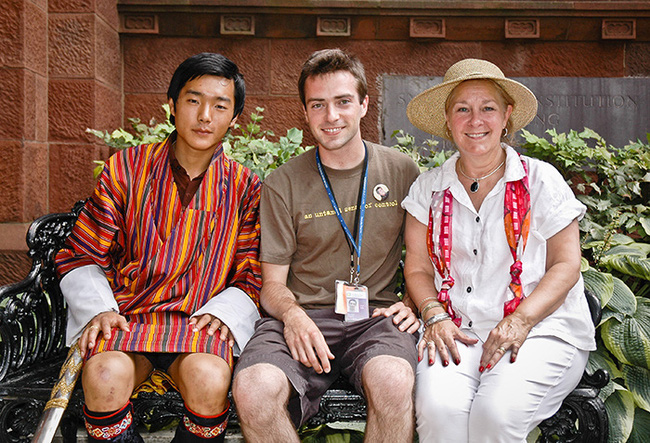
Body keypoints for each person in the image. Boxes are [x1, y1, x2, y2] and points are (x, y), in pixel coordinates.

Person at [55, 53, 261, 442]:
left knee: (210, 378)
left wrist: (226, 311)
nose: (205, 116)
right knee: (102, 375)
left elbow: (252, 270)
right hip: (127, 314)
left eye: (220, 105)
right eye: (193, 100)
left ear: (234, 119)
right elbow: (81, 253)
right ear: (171, 105)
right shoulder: (126, 168)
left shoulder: (245, 187)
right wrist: (99, 309)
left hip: (199, 318)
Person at [401, 58, 596, 442]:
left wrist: (520, 321)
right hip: (455, 332)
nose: (476, 121)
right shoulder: (428, 189)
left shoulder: (541, 180)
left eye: (487, 108)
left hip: (540, 330)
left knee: (495, 415)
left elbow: (567, 264)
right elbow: (419, 270)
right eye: (463, 109)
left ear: (506, 115)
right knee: (439, 414)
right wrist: (434, 315)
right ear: (448, 119)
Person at [232, 48, 421, 442]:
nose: (331, 117)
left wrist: (417, 303)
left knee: (393, 380)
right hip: (302, 317)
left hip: (375, 317)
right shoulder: (283, 183)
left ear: (364, 104)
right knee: (254, 389)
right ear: (304, 112)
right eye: (318, 105)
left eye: (343, 102)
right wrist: (294, 317)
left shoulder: (402, 171)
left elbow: (428, 257)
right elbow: (272, 285)